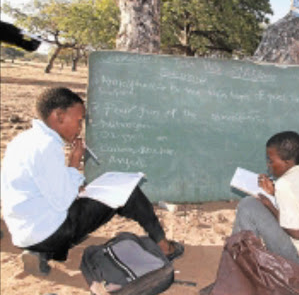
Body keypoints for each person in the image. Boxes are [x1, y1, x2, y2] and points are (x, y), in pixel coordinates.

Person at [0, 87, 183, 276]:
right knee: (128, 192)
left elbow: (47, 189)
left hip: (23, 232)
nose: (80, 128)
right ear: (59, 116)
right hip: (47, 233)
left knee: (85, 196)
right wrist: (74, 162)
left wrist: (74, 178)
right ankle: (164, 247)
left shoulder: (23, 140)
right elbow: (63, 201)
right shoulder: (47, 147)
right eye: (79, 121)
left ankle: (42, 253)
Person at [232, 131, 299, 270]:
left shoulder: (285, 184)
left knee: (247, 206)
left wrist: (269, 205)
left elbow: (296, 233)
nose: (269, 165)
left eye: (271, 161)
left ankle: (243, 266)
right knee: (251, 204)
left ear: (287, 162)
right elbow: (297, 202)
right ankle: (243, 259)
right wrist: (274, 193)